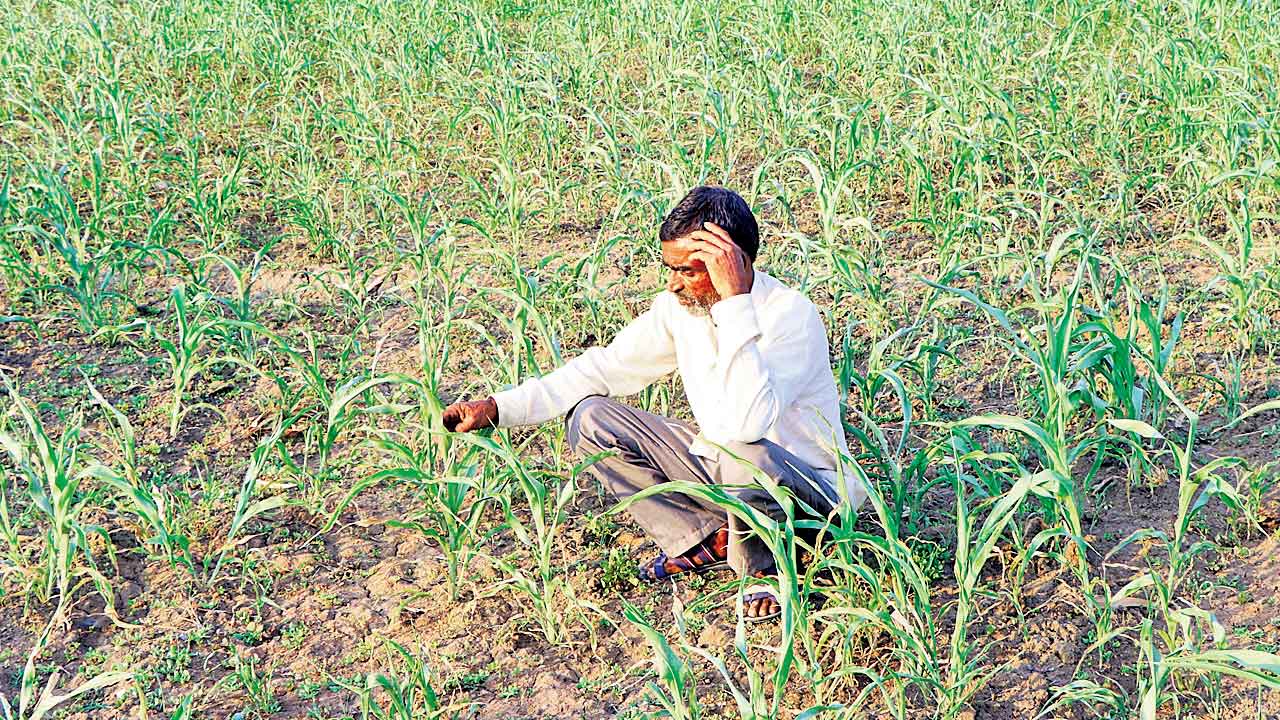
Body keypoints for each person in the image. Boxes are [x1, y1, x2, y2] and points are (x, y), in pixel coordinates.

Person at [443, 186, 863, 621]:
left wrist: (735, 304)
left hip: (808, 498)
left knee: (744, 451)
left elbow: (746, 423)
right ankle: (704, 540)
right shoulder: (682, 308)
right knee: (591, 418)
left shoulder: (789, 315)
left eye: (688, 271)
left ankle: (765, 569)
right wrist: (500, 407)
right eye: (670, 269)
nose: (673, 284)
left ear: (733, 262)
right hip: (729, 474)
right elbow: (605, 367)